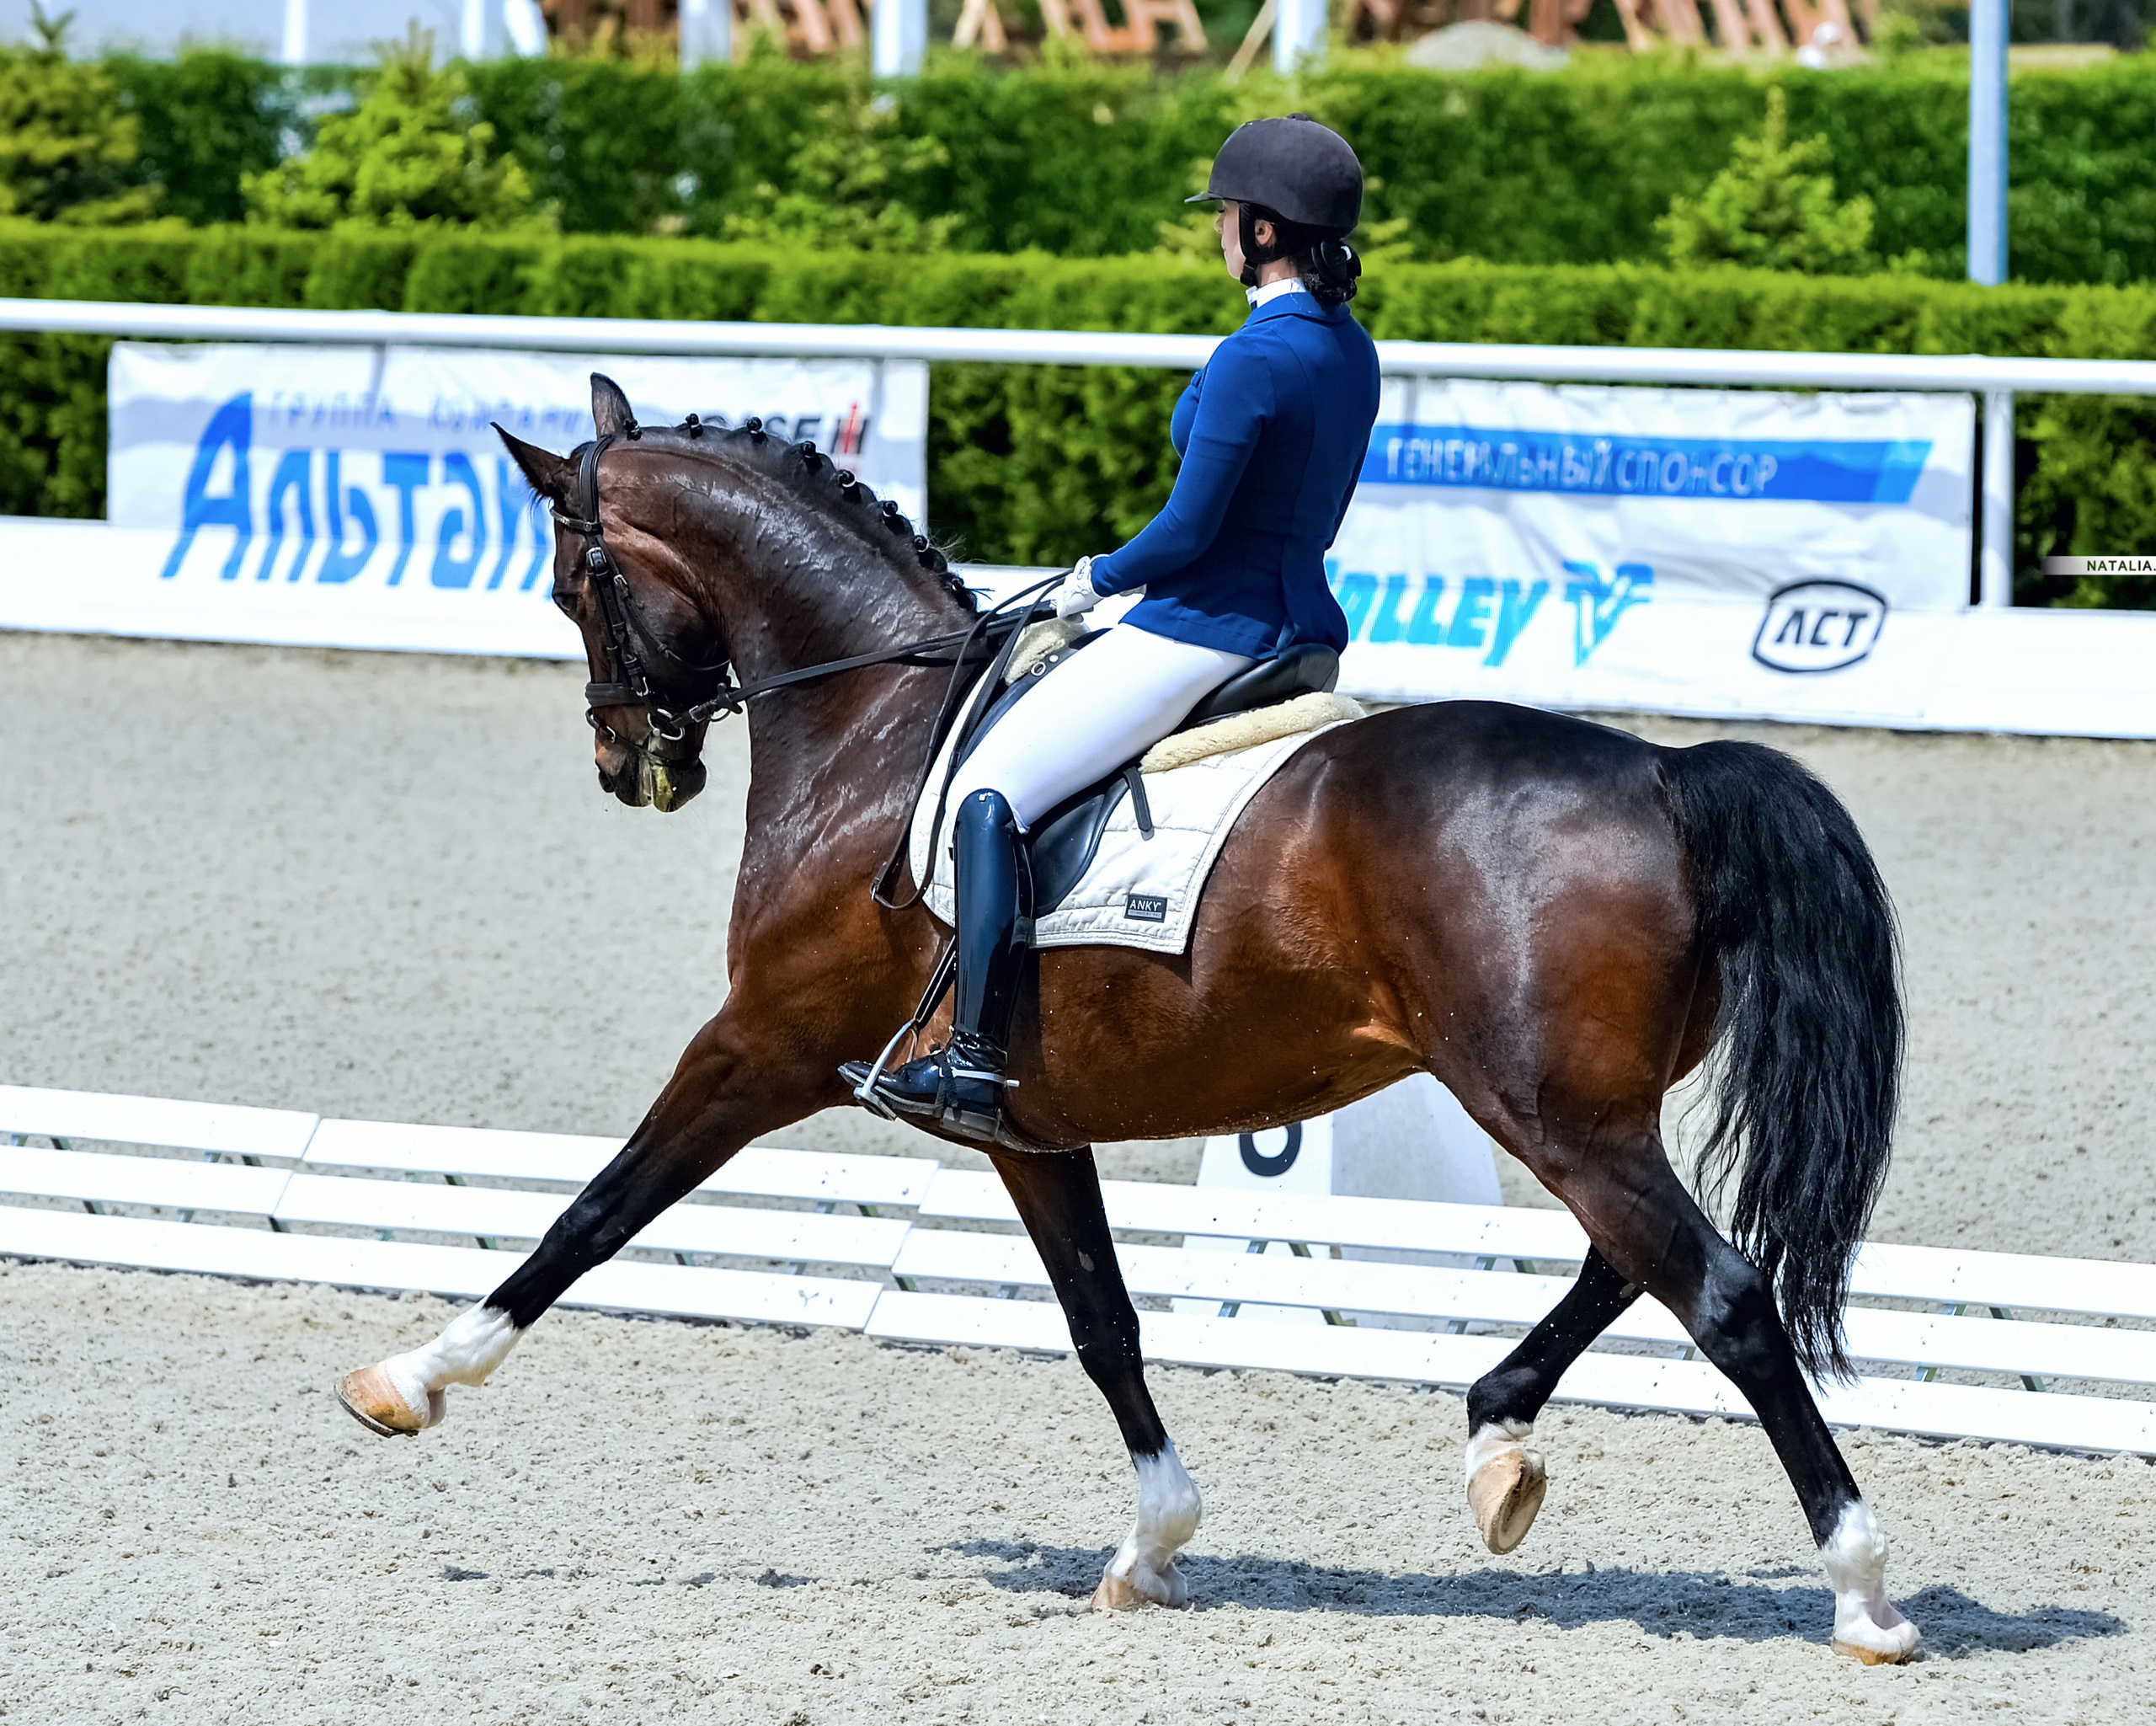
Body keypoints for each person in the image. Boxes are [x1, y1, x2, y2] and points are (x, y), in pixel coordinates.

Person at [848, 114, 1383, 1148]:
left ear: (1264, 232)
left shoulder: (1252, 358)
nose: (1221, 231)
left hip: (1200, 626)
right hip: (1298, 622)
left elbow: (1188, 530)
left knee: (989, 792)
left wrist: (1093, 580)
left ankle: (972, 1059)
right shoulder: (1351, 350)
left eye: (1229, 217)